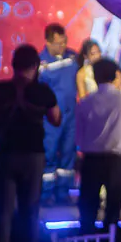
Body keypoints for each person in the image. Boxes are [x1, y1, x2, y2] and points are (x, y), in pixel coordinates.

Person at [0, 42, 62, 242]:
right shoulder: (42, 91)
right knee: (30, 210)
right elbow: (56, 119)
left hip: (5, 155)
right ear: (36, 66)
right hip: (33, 156)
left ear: (12, 64)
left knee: (3, 212)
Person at [75, 58, 121, 234]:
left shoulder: (85, 102)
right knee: (113, 212)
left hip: (91, 161)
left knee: (88, 211)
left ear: (95, 77)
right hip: (115, 160)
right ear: (115, 76)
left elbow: (78, 137)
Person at [38, 24, 78, 202]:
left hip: (71, 117)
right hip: (51, 118)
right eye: (58, 43)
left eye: (64, 42)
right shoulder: (41, 64)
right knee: (49, 153)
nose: (62, 46)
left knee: (68, 154)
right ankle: (46, 193)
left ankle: (63, 192)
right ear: (47, 42)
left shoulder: (72, 58)